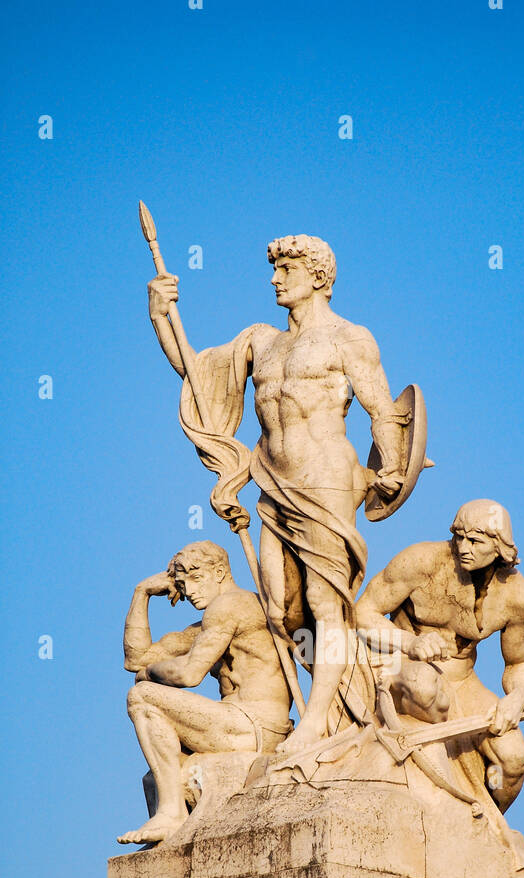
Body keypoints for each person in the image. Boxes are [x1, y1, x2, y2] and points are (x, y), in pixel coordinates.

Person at [147, 235, 408, 753]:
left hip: (328, 480)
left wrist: (394, 466)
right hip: (274, 483)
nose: (274, 279)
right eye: (275, 270)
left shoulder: (348, 339)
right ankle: (341, 703)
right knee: (281, 609)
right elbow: (196, 373)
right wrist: (161, 314)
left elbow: (384, 410)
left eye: (286, 269)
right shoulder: (260, 341)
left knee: (324, 602)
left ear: (317, 276)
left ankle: (315, 724)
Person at [355, 500, 524, 812]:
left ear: (499, 547)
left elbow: (519, 663)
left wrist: (516, 700)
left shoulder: (519, 597)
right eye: (459, 537)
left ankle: (484, 825)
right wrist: (408, 643)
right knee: (425, 688)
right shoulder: (420, 562)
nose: (464, 547)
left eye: (476, 541)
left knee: (512, 761)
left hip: (463, 682)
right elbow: (362, 613)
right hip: (405, 667)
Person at [118, 541, 291, 844]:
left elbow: (189, 674)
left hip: (254, 724)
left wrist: (149, 675)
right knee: (155, 777)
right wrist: (141, 592)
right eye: (183, 585)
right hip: (240, 723)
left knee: (143, 696)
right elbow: (136, 658)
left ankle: (171, 813)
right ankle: (170, 817)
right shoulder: (211, 622)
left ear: (221, 571)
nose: (190, 592)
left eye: (197, 580)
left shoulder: (232, 606)